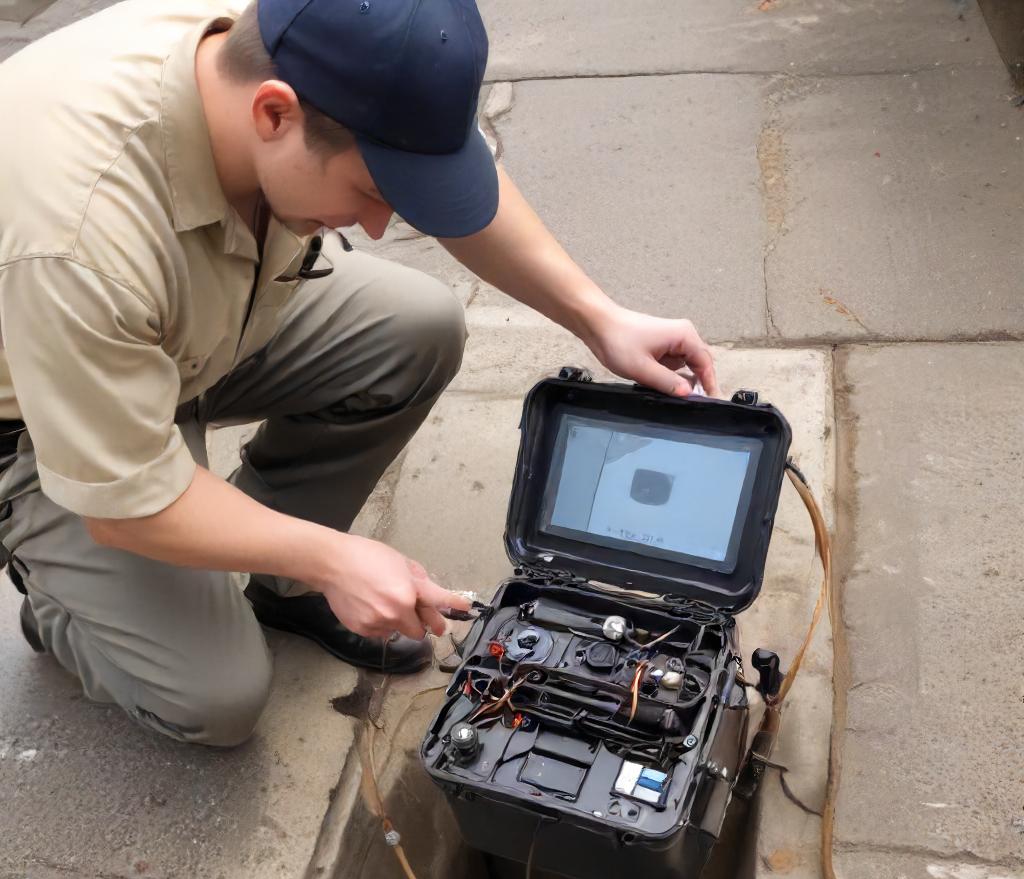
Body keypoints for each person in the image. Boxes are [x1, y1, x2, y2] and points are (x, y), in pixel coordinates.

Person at [0, 0, 720, 747]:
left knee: (418, 327)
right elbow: (124, 503)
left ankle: (280, 587)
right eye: (372, 193)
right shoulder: (78, 237)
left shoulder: (301, 49)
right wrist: (336, 555)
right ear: (274, 115)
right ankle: (62, 599)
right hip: (47, 416)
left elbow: (448, 173)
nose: (379, 229)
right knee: (215, 699)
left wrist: (597, 317)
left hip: (190, 328)